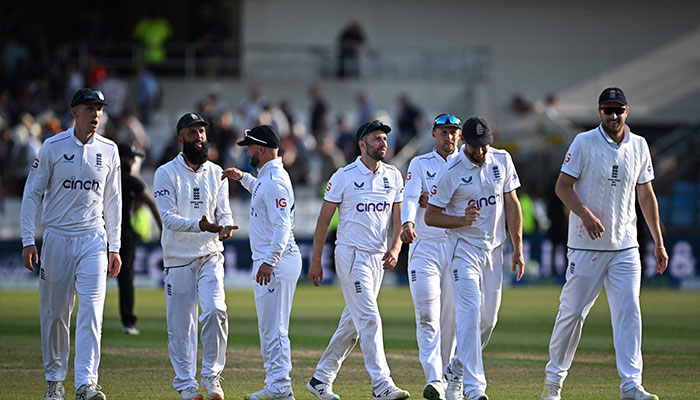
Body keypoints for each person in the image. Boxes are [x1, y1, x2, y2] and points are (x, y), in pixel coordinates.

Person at [539, 88, 668, 400]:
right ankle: (553, 385)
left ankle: (631, 386)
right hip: (586, 247)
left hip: (625, 246)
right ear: (600, 112)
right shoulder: (584, 142)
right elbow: (563, 186)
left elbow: (646, 195)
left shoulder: (639, 145)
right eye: (607, 110)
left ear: (627, 111)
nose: (613, 116)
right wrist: (584, 215)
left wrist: (658, 242)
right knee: (572, 314)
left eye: (618, 110)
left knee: (629, 312)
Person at [21, 88, 122, 400]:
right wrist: (28, 239)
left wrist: (114, 245)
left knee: (92, 312)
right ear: (74, 112)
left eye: (100, 109)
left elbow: (113, 200)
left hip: (93, 239)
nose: (96, 115)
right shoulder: (52, 146)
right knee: (55, 314)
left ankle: (85, 384)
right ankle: (54, 381)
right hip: (57, 239)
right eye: (90, 108)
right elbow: (32, 193)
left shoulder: (110, 149)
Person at [306, 120, 409, 400]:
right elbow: (323, 221)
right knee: (370, 318)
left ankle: (320, 379)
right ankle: (381, 384)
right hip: (350, 255)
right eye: (376, 138)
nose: (383, 143)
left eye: (385, 138)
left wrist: (396, 247)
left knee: (352, 324)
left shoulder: (394, 176)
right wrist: (316, 261)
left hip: (377, 258)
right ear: (362, 144)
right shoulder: (343, 176)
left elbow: (398, 219)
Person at [425, 116, 524, 400]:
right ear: (464, 142)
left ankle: (456, 368)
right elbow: (431, 216)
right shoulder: (452, 171)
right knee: (468, 317)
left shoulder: (502, 160)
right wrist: (461, 219)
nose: (480, 152)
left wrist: (517, 247)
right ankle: (474, 388)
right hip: (464, 250)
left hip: (495, 250)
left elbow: (512, 204)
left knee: (487, 321)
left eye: (484, 145)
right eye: (475, 146)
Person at [153, 112, 237, 400]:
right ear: (181, 139)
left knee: (215, 311)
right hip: (177, 258)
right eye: (192, 132)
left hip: (210, 255)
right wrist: (199, 225)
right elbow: (167, 218)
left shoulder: (218, 173)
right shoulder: (165, 173)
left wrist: (224, 227)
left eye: (202, 131)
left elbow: (223, 213)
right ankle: (186, 385)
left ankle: (212, 377)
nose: (199, 137)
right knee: (181, 327)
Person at [222, 125, 302, 400]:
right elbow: (260, 189)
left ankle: (280, 387)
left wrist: (269, 261)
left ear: (262, 149)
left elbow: (282, 226)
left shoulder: (275, 180)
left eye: (250, 148)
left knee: (275, 327)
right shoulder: (267, 178)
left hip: (276, 262)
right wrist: (242, 177)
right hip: (273, 260)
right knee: (270, 327)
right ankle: (277, 384)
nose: (248, 152)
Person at [400, 114, 461, 400]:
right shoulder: (420, 163)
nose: (449, 137)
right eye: (444, 132)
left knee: (452, 319)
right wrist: (408, 223)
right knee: (427, 316)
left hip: (458, 248)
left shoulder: (468, 164)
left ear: (459, 136)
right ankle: (434, 378)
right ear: (434, 134)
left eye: (453, 132)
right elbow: (411, 195)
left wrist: (435, 201)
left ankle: (451, 378)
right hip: (425, 247)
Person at [117, 143, 162, 335]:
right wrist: (163, 230)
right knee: (126, 279)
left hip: (100, 232)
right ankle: (128, 322)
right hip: (123, 235)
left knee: (92, 278)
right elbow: (151, 203)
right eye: (131, 157)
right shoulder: (131, 181)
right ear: (121, 158)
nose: (134, 161)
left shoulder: (105, 178)